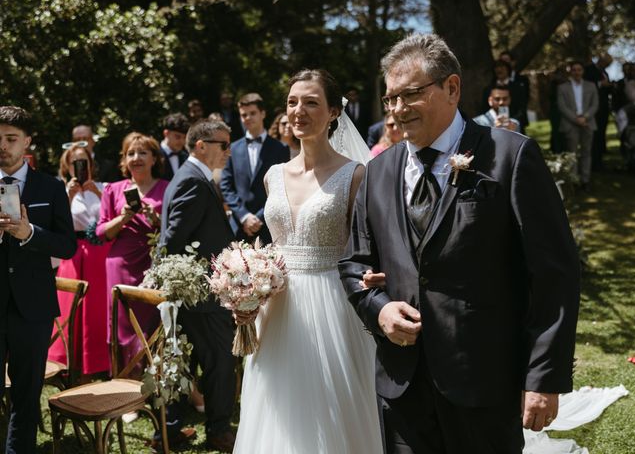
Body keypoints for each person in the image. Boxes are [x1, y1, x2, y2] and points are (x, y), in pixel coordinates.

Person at [338, 34, 580, 454]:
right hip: (402, 386)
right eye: (390, 98)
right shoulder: (378, 172)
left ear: (452, 88)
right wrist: (379, 309)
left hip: (484, 382)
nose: (396, 109)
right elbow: (354, 264)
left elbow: (554, 274)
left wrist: (542, 377)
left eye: (410, 94)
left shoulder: (510, 157)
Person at [232, 69, 383, 454]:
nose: (299, 110)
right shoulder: (273, 176)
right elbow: (269, 247)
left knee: (332, 411)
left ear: (334, 112)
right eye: (292, 102)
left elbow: (369, 245)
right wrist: (247, 287)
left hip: (334, 304)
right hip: (278, 310)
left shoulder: (355, 174)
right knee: (278, 411)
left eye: (312, 102)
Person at [157, 120, 237, 452]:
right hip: (200, 296)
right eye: (223, 144)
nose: (228, 151)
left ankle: (172, 430)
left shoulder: (194, 178)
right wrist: (189, 286)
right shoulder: (192, 182)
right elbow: (172, 241)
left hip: (196, 294)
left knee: (185, 362)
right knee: (220, 361)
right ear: (201, 145)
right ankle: (218, 430)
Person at [0, 106, 76, 453]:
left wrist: (30, 233)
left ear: (27, 141)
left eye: (11, 139)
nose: (3, 145)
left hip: (33, 307)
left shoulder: (51, 186)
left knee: (26, 396)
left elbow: (67, 245)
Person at [96, 133, 168, 372]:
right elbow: (101, 232)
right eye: (130, 153)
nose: (136, 158)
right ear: (124, 160)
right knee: (122, 323)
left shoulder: (167, 189)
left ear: (154, 158)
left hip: (154, 263)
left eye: (142, 153)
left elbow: (174, 229)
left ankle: (156, 378)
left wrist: (155, 219)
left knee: (154, 321)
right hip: (121, 263)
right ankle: (125, 381)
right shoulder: (113, 189)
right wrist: (124, 217)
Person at [48, 143, 111, 377]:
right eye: (75, 162)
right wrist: (68, 195)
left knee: (97, 307)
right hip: (72, 252)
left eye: (83, 160)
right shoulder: (59, 190)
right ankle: (68, 360)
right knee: (70, 306)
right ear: (68, 165)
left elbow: (112, 217)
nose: (80, 166)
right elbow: (54, 222)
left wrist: (97, 193)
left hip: (99, 252)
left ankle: (100, 362)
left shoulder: (104, 187)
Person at [220, 93, 289, 243]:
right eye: (244, 115)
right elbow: (225, 186)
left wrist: (259, 217)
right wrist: (244, 216)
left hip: (269, 226)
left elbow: (283, 188)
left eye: (252, 113)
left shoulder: (280, 148)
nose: (248, 118)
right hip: (238, 226)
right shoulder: (232, 148)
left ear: (263, 113)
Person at [557, 61, 599, 188]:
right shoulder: (562, 87)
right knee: (572, 153)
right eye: (574, 70)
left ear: (582, 71)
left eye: (579, 69)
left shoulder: (591, 86)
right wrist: (576, 119)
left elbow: (595, 104)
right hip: (571, 123)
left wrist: (585, 117)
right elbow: (562, 106)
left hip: (588, 122)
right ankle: (574, 181)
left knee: (586, 152)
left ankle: (585, 180)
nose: (577, 72)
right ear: (570, 71)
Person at [584, 53, 613, 171]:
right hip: (593, 109)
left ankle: (600, 161)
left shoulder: (604, 72)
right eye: (606, 63)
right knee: (594, 136)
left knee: (601, 135)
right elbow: (587, 86)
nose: (607, 66)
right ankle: (593, 163)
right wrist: (601, 84)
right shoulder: (589, 70)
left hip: (604, 108)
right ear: (601, 60)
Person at [499, 50, 530, 133]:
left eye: (506, 61)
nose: (504, 64)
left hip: (517, 119)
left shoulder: (522, 80)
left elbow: (525, 99)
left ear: (513, 62)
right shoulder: (496, 81)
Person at [160, 112, 190, 181]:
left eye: (184, 138)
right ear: (166, 133)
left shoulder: (186, 157)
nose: (182, 141)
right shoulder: (153, 155)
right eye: (178, 137)